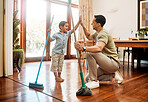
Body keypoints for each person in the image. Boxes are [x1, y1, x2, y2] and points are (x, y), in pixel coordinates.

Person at [74, 15, 123, 89]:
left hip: (112, 62)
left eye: (93, 23)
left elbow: (99, 48)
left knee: (90, 53)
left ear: (98, 24)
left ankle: (94, 81)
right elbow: (89, 36)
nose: (91, 24)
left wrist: (83, 48)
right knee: (88, 78)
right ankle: (112, 75)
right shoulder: (97, 33)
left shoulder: (103, 33)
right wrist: (82, 25)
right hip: (105, 64)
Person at [48, 17, 81, 82]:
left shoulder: (67, 34)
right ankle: (56, 77)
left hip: (62, 53)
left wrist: (78, 22)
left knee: (60, 65)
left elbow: (74, 29)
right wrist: (48, 33)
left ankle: (59, 76)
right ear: (61, 27)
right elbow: (50, 40)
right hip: (55, 52)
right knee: (55, 65)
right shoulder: (56, 34)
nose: (67, 28)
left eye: (67, 26)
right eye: (66, 26)